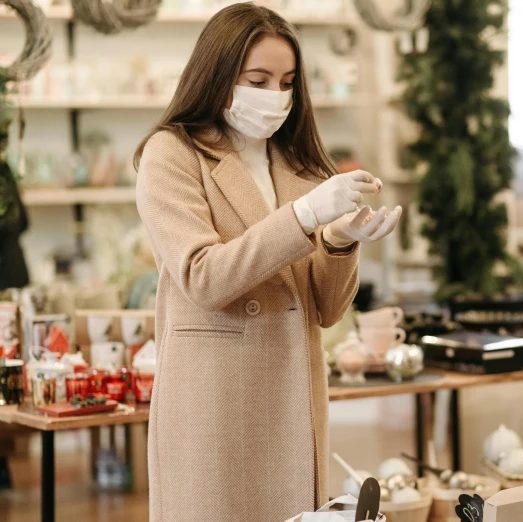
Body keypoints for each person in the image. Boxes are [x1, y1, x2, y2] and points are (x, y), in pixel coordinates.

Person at [133, 4, 401, 521]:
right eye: (258, 79)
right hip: (214, 403)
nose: (275, 96)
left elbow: (325, 310)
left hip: (293, 394)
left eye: (287, 81)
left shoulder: (299, 164)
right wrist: (303, 217)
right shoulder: (173, 154)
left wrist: (341, 241)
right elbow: (203, 277)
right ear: (217, 76)